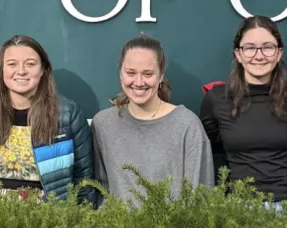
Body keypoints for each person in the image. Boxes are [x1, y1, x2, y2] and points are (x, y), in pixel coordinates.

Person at [0, 35, 94, 203]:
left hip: (48, 218)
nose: (21, 71)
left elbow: (83, 178)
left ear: (43, 69)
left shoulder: (67, 114)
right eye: (12, 64)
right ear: (1, 70)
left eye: (30, 64)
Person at [199, 15, 287, 208]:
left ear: (278, 53)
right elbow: (203, 153)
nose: (259, 56)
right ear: (238, 54)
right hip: (241, 207)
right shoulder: (217, 99)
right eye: (250, 48)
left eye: (267, 47)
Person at [91, 35, 214, 207]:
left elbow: (201, 198)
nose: (139, 82)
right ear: (121, 74)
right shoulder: (103, 124)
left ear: (161, 75)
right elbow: (101, 192)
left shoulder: (186, 125)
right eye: (131, 73)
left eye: (148, 74)